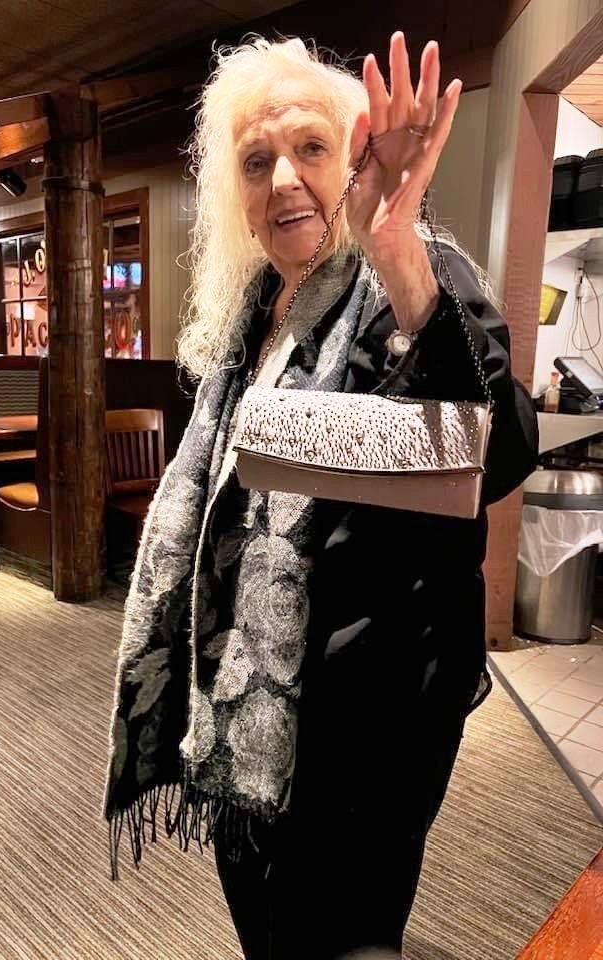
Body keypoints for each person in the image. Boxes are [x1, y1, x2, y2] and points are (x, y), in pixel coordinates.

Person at [104, 33, 538, 960]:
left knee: (340, 934)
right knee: (266, 928)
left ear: (356, 157)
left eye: (310, 147)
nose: (284, 180)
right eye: (256, 161)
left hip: (367, 720)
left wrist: (396, 244)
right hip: (240, 703)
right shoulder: (254, 311)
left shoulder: (410, 277)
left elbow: (497, 453)